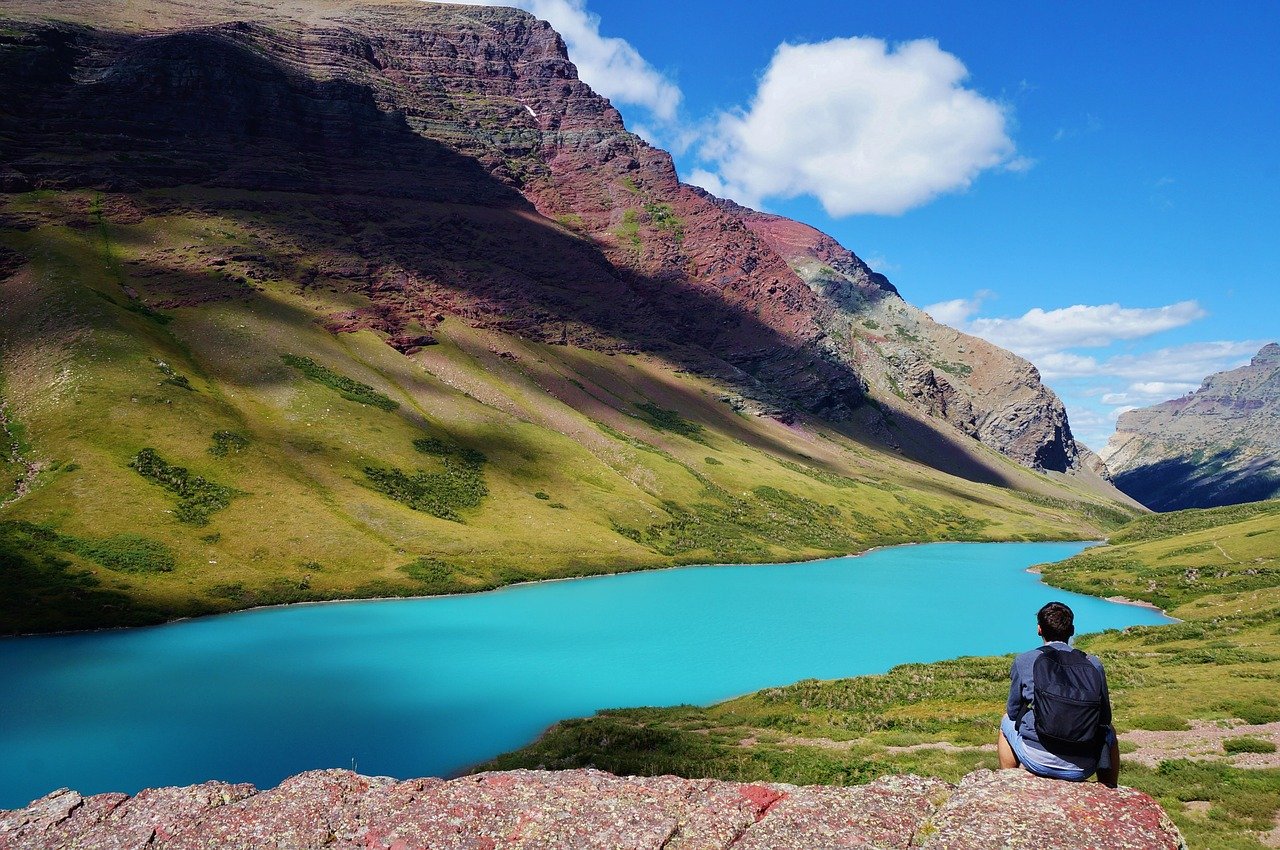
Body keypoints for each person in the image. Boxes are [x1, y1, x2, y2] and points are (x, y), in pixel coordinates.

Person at [997, 601, 1120, 787]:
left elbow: (1013, 712)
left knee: (1006, 721)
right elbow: (1104, 718)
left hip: (1036, 758)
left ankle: (1009, 783)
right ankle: (1110, 789)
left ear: (1039, 629)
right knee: (1109, 730)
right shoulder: (1093, 664)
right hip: (1083, 766)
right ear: (1072, 630)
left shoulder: (1024, 660)